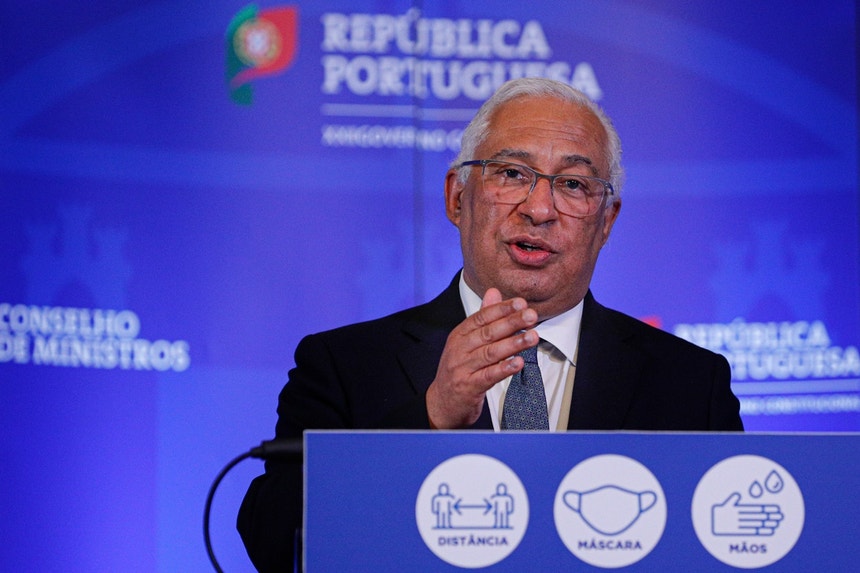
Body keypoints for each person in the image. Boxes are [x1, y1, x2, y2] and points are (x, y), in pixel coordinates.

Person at [237, 77, 743, 571]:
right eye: (512, 174)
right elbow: (277, 545)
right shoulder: (344, 365)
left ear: (606, 221)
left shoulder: (690, 383)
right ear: (458, 198)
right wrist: (429, 418)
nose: (539, 209)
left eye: (573, 184)